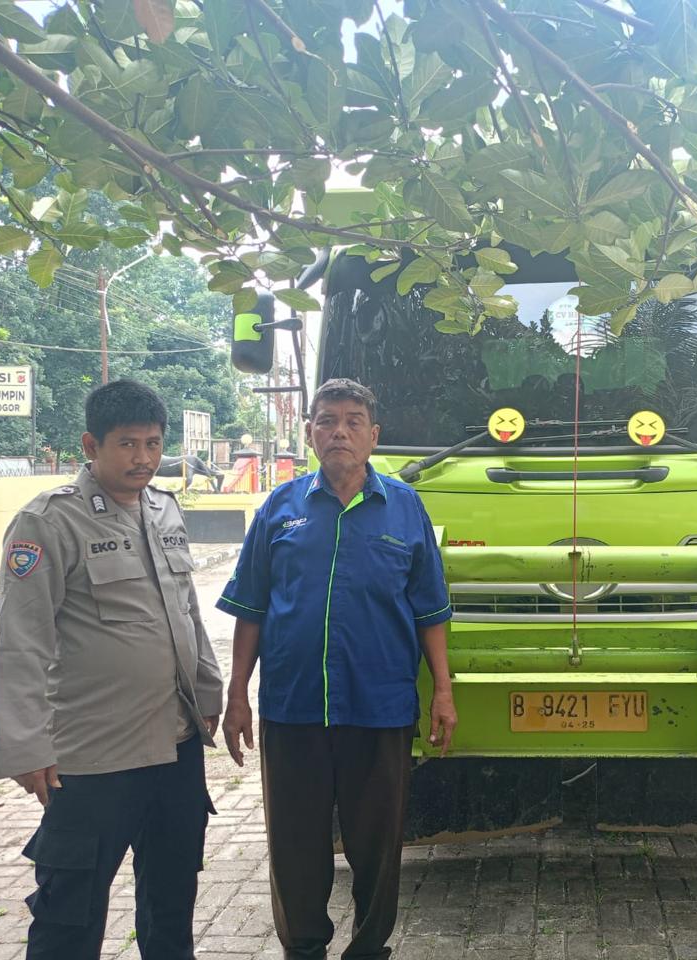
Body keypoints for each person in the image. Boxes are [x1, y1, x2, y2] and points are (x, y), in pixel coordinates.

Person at [217, 377, 457, 960]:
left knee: (378, 844)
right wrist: (237, 694)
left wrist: (444, 691)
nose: (339, 431)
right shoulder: (280, 508)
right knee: (295, 843)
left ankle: (370, 947)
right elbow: (251, 607)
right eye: (327, 420)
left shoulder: (405, 507)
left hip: (379, 706)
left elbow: (430, 609)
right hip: (294, 706)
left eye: (353, 421)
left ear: (373, 437)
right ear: (309, 434)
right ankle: (304, 947)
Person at [0, 379, 223, 960]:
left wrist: (209, 694)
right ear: (91, 445)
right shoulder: (48, 523)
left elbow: (187, 610)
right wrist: (24, 745)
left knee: (172, 905)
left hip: (174, 747)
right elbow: (21, 641)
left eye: (152, 443)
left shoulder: (165, 509)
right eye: (127, 444)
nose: (143, 458)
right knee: (70, 914)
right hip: (92, 758)